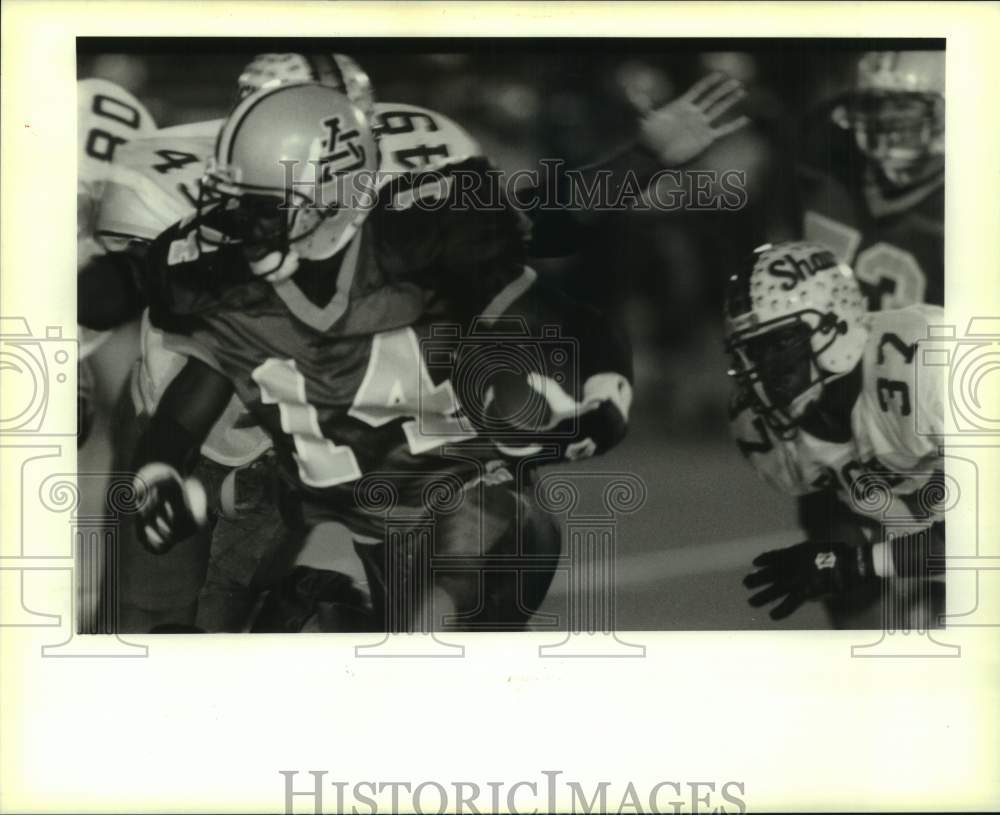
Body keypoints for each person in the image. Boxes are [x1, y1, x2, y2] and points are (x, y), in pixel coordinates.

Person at [81, 82, 634, 631]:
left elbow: (563, 319)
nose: (239, 221)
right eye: (235, 200)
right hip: (339, 501)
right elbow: (182, 396)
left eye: (261, 204)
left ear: (331, 192)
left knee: (465, 610)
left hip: (456, 484)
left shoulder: (424, 249)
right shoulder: (237, 288)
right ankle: (311, 617)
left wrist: (600, 403)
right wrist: (159, 471)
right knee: (196, 643)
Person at [724, 241, 945, 622]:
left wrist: (857, 563)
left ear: (834, 323)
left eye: (779, 343)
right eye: (754, 352)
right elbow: (829, 506)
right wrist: (835, 560)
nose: (766, 370)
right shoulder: (768, 432)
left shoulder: (927, 360)